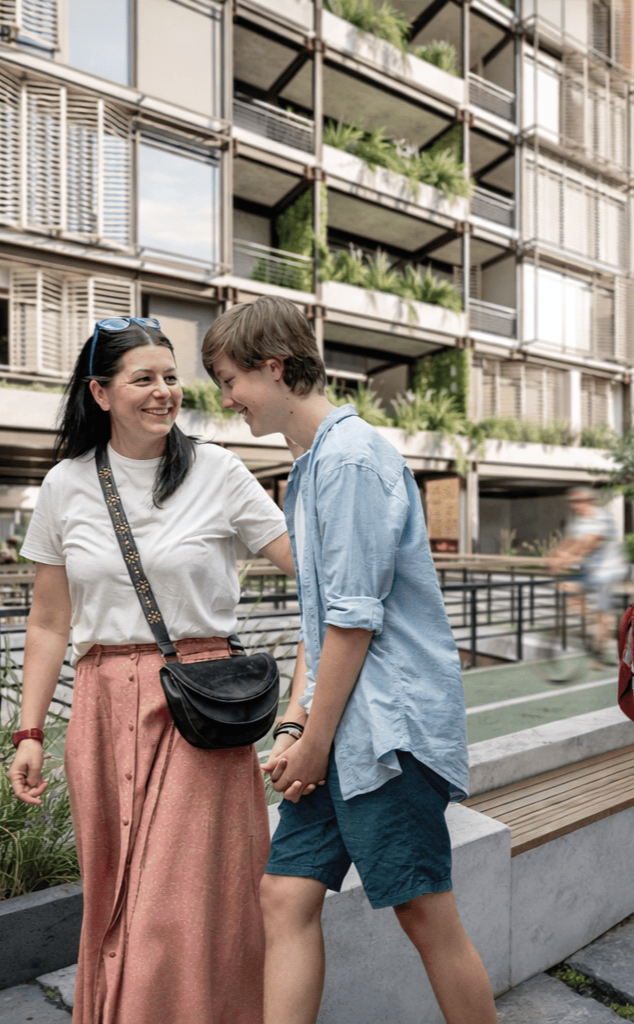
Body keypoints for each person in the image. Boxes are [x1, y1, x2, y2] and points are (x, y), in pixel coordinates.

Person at [201, 296, 498, 1024]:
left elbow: (353, 623)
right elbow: (320, 621)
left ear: (274, 367)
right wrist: (297, 728)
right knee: (284, 895)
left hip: (386, 736)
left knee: (427, 916)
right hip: (342, 735)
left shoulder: (351, 460)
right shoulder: (311, 468)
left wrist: (315, 741)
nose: (228, 400)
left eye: (230, 380)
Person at [7, 317, 298, 1024]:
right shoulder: (66, 486)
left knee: (187, 904)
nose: (164, 392)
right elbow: (48, 622)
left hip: (201, 708)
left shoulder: (220, 471)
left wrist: (302, 710)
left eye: (171, 377)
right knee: (117, 897)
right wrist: (29, 731)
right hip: (103, 709)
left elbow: (317, 577)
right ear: (100, 392)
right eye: (144, 378)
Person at [547, 486, 626, 663]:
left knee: (602, 607)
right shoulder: (577, 520)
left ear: (590, 501)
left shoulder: (602, 517)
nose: (574, 506)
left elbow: (590, 542)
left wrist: (567, 558)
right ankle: (596, 625)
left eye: (578, 501)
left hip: (607, 570)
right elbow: (570, 541)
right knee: (567, 588)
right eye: (572, 502)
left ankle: (604, 643)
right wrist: (553, 556)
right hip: (589, 570)